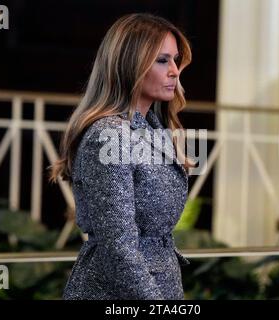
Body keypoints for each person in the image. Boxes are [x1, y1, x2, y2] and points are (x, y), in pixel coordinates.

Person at [48, 12, 195, 300]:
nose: (175, 71)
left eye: (175, 60)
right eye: (162, 60)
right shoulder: (109, 135)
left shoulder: (151, 128)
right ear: (130, 65)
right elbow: (119, 248)